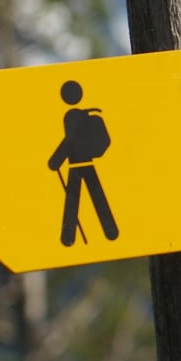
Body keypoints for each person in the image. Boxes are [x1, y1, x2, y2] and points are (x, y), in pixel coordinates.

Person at [47, 80, 119, 245]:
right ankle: (111, 231)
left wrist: (55, 161)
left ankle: (69, 237)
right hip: (87, 165)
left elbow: (69, 141)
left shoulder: (72, 117)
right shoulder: (82, 115)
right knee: (96, 197)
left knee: (73, 200)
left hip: (75, 166)